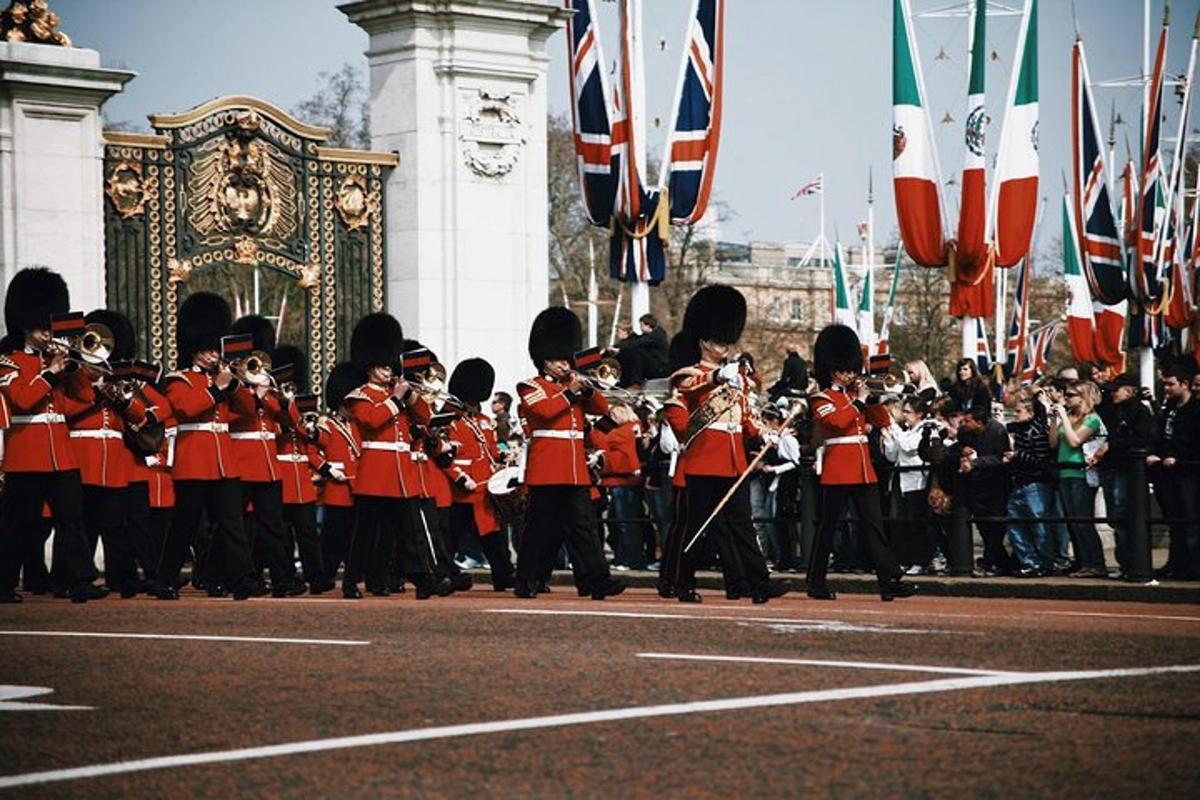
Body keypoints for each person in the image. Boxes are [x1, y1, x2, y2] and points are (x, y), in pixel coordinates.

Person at [669, 286, 788, 604]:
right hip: (705, 459)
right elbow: (690, 388)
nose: (722, 347)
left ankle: (759, 583)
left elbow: (746, 415)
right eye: (716, 341)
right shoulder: (691, 373)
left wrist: (763, 433)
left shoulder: (738, 380)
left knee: (742, 525)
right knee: (698, 526)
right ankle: (683, 582)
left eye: (725, 341)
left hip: (732, 458)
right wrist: (719, 376)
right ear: (703, 341)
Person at [0, 267, 108, 603]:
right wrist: (49, 372)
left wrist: (75, 367)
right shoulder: (9, 361)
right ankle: (3, 583)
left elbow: (84, 399)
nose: (47, 334)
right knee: (18, 524)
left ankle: (79, 580)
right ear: (24, 325)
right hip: (26, 454)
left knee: (72, 519)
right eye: (41, 327)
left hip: (60, 453)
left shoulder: (58, 360)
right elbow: (21, 398)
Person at [156, 292, 262, 600]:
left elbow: (246, 409)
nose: (211, 356)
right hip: (193, 461)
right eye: (205, 350)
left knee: (232, 523)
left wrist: (237, 382)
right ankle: (165, 578)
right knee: (184, 525)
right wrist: (217, 389)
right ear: (192, 350)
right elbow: (186, 409)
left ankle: (240, 578)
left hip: (222, 462)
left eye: (214, 350)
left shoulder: (224, 378)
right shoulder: (179, 379)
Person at [513, 306, 624, 600]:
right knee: (538, 529)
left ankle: (596, 580)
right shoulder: (530, 386)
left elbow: (601, 408)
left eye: (566, 358)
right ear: (544, 361)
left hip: (574, 467)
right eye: (557, 359)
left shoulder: (572, 387)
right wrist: (572, 393)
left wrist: (587, 390)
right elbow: (544, 411)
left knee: (583, 527)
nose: (563, 364)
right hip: (547, 467)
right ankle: (525, 579)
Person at [806, 324, 911, 601]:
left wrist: (876, 397)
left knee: (874, 526)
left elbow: (883, 421)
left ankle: (889, 581)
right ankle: (815, 582)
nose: (850, 374)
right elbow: (838, 422)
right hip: (839, 469)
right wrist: (860, 402)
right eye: (845, 369)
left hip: (863, 468)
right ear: (832, 369)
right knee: (828, 528)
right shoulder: (821, 398)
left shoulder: (856, 395)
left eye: (852, 368)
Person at [342, 314, 444, 599]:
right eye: (382, 366)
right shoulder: (359, 396)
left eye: (389, 365)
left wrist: (410, 397)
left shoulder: (397, 393)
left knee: (410, 533)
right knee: (365, 534)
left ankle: (422, 579)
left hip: (401, 473)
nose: (387, 371)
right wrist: (397, 400)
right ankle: (352, 581)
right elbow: (372, 421)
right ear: (369, 367)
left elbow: (425, 417)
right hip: (376, 474)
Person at [67, 310, 150, 597]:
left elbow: (139, 418)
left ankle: (124, 579)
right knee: (82, 524)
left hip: (112, 460)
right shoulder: (74, 376)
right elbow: (68, 410)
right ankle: (73, 579)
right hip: (82, 454)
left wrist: (123, 396)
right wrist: (95, 391)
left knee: (116, 524)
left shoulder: (114, 376)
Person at [444, 357, 514, 591]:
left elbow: (494, 447)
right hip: (461, 489)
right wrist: (460, 477)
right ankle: (445, 573)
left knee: (493, 535)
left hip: (484, 489)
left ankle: (503, 575)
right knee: (451, 537)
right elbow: (443, 454)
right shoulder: (450, 420)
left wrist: (505, 454)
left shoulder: (484, 422)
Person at [1093, 373, 1154, 576]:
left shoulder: (1140, 411)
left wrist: (1112, 445)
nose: (1112, 394)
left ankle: (1132, 563)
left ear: (1129, 391)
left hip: (1126, 469)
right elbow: (1100, 412)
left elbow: (1142, 438)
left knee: (1122, 514)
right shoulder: (1114, 409)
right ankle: (1125, 563)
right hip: (1111, 468)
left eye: (1116, 391)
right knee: (1114, 517)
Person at [1048, 380, 1107, 578]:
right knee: (1073, 522)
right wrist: (1055, 420)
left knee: (1083, 520)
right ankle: (1083, 562)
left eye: (1071, 395)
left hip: (1081, 474)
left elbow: (1075, 441)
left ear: (1084, 397)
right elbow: (1054, 443)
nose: (1067, 399)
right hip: (1065, 472)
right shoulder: (1070, 418)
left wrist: (1064, 416)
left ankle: (1096, 563)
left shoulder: (1092, 419)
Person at [1148, 363, 1200, 580]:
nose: (1166, 389)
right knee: (1174, 521)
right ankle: (1176, 564)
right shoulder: (1169, 407)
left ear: (1184, 384)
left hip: (1188, 472)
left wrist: (1178, 458)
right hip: (1166, 473)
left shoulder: (1196, 409)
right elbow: (1161, 434)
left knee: (1191, 521)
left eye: (1170, 384)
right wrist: (1156, 454)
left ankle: (1195, 566)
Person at [315, 362, 361, 590]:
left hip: (358, 485)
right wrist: (327, 469)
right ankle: (325, 574)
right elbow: (315, 450)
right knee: (333, 536)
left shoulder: (359, 424)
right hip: (338, 487)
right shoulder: (328, 424)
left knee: (355, 537)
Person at [882, 396, 939, 573]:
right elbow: (892, 456)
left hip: (916, 481)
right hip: (899, 480)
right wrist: (888, 438)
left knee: (915, 522)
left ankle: (919, 561)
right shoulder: (904, 431)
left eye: (908, 412)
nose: (905, 415)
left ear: (919, 414)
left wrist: (892, 426)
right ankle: (903, 558)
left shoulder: (927, 429)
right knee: (899, 522)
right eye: (904, 412)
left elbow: (908, 447)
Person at [1001, 389, 1055, 576]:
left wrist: (1017, 456)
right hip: (1020, 482)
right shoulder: (1020, 431)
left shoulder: (1037, 432)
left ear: (1031, 413)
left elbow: (1041, 459)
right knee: (1014, 523)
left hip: (1035, 484)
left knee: (1039, 525)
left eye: (1018, 411)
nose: (1015, 415)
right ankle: (1029, 562)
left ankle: (1046, 563)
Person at [957, 404, 1013, 574]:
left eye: (968, 421)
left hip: (996, 486)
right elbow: (957, 446)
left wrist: (976, 463)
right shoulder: (966, 433)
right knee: (983, 526)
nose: (964, 424)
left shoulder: (997, 431)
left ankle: (990, 562)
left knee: (995, 525)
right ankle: (1001, 562)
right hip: (976, 487)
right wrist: (962, 450)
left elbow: (1002, 458)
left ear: (979, 423)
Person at [611, 313, 669, 379]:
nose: (640, 327)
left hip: (660, 367)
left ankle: (636, 381)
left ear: (648, 325)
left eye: (641, 325)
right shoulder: (647, 336)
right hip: (654, 364)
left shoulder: (656, 336)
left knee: (636, 352)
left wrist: (619, 349)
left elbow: (637, 343)